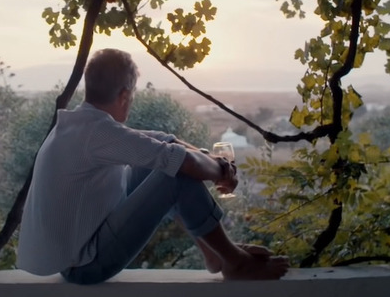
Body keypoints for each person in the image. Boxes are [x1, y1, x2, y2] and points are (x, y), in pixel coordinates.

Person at [16, 48, 289, 284]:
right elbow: (181, 161)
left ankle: (213, 253)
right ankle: (234, 262)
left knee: (165, 161)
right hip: (84, 266)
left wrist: (211, 160)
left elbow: (161, 141)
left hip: (81, 248)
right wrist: (223, 173)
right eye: (132, 96)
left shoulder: (82, 124)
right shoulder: (96, 133)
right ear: (124, 95)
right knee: (174, 175)